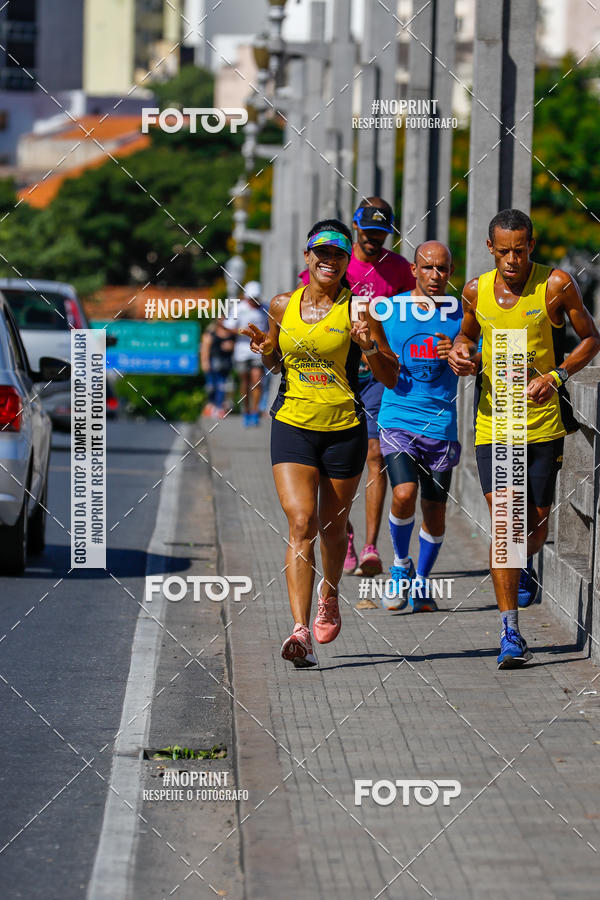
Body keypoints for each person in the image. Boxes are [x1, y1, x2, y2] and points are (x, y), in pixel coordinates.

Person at [242, 219, 398, 667]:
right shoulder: (281, 305)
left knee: (332, 529)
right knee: (300, 522)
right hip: (292, 424)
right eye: (322, 253)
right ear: (307, 257)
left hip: (343, 428)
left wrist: (368, 347)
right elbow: (276, 365)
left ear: (347, 261)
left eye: (338, 255)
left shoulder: (359, 310)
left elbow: (391, 376)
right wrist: (266, 349)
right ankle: (299, 630)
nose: (329, 261)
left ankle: (330, 593)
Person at [449, 208, 600, 668]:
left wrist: (556, 375)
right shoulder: (475, 289)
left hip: (541, 426)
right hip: (495, 423)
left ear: (530, 247)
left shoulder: (555, 285)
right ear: (490, 249)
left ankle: (524, 566)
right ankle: (510, 631)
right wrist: (461, 353)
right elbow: (465, 336)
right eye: (503, 252)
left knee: (533, 526)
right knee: (506, 526)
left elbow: (591, 339)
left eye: (520, 251)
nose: (512, 260)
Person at [298, 198, 415, 577]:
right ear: (356, 228)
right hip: (337, 377)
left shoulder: (399, 270)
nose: (374, 241)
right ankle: (343, 533)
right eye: (368, 233)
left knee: (375, 455)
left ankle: (369, 546)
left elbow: (415, 311)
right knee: (328, 468)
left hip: (378, 373)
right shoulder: (335, 260)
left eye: (382, 234)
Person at [375, 241, 462, 613]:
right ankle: (399, 564)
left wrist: (461, 353)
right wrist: (368, 347)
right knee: (403, 493)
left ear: (451, 273)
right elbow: (377, 357)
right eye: (428, 268)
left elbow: (471, 352)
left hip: (440, 424)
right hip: (398, 418)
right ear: (413, 270)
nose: (435, 275)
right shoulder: (390, 310)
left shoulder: (461, 311)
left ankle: (423, 580)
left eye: (442, 269)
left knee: (435, 512)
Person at [223, 281, 267, 427]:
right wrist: (243, 333)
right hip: (242, 351)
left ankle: (255, 412)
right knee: (245, 382)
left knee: (257, 381)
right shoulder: (239, 308)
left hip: (258, 351)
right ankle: (246, 410)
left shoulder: (265, 309)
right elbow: (228, 326)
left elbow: (272, 328)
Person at [200, 316, 234, 418]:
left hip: (225, 363)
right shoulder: (211, 333)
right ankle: (212, 405)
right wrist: (204, 362)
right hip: (213, 362)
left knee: (222, 385)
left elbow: (234, 345)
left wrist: (230, 346)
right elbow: (205, 348)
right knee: (211, 386)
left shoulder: (230, 333)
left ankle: (219, 407)